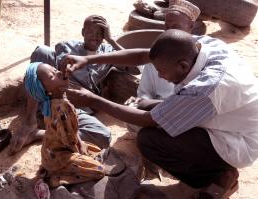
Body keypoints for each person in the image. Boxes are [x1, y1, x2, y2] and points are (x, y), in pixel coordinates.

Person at [62, 29, 258, 198]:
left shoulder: (206, 89)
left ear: (182, 66)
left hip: (238, 141)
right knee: (146, 106)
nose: (160, 75)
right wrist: (88, 59)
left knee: (150, 140)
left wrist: (93, 100)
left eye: (161, 71)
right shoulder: (201, 46)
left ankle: (213, 178)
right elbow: (142, 56)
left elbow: (148, 121)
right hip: (228, 118)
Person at [8, 15, 122, 154]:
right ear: (82, 32)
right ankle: (30, 119)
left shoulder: (109, 53)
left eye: (100, 33)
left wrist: (111, 40)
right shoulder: (66, 46)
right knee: (43, 51)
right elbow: (44, 68)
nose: (95, 37)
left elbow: (136, 69)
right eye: (91, 32)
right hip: (51, 97)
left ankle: (39, 134)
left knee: (103, 136)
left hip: (77, 107)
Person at [24, 62, 104, 188]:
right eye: (52, 76)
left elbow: (71, 132)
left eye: (55, 70)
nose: (59, 72)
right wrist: (80, 151)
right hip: (59, 156)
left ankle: (50, 169)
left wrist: (81, 143)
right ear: (47, 91)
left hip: (49, 153)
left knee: (95, 150)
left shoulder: (52, 103)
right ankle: (53, 179)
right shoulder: (61, 109)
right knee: (98, 170)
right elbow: (68, 140)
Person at [131, 0, 201, 111]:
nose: (169, 31)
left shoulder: (200, 56)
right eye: (166, 26)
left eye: (175, 27)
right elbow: (144, 93)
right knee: (131, 108)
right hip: (156, 110)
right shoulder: (158, 53)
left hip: (186, 113)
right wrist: (145, 104)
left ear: (191, 26)